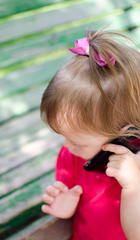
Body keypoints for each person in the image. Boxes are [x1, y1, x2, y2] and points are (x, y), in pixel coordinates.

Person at [40, 27, 140, 240]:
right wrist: (66, 208)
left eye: (77, 141)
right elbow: (71, 193)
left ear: (122, 136)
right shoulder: (74, 154)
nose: (66, 146)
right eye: (63, 136)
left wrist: (133, 187)